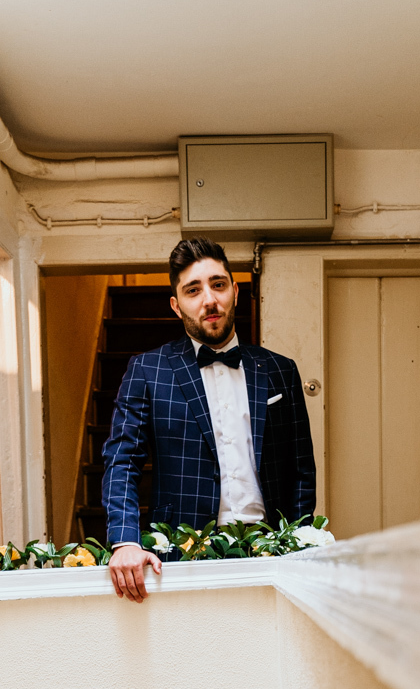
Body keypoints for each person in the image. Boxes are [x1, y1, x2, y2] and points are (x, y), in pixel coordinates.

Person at [102, 237, 317, 601]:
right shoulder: (148, 370)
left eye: (218, 285)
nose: (209, 299)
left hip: (271, 551)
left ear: (235, 291)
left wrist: (298, 541)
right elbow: (122, 461)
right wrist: (125, 540)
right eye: (193, 290)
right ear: (176, 305)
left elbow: (301, 469)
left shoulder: (280, 371)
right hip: (181, 553)